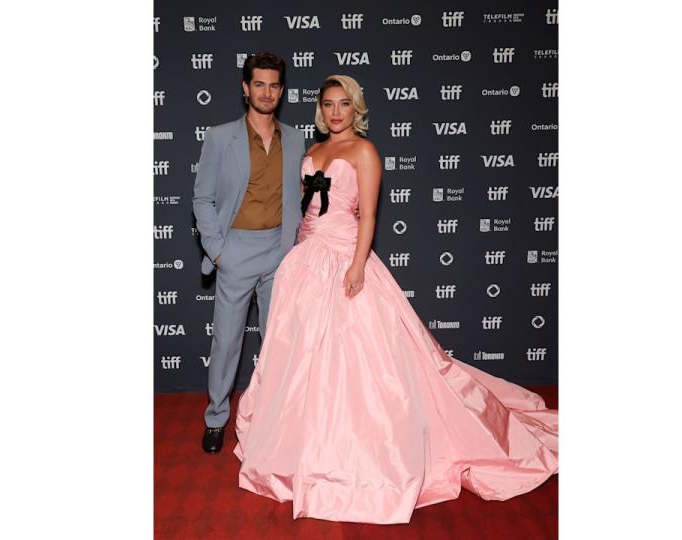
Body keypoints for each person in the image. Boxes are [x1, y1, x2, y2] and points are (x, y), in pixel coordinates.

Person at [233, 74, 559, 524]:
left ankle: (360, 450)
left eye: (343, 104)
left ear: (356, 108)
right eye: (328, 104)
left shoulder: (365, 152)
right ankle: (296, 447)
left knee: (361, 364)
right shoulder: (312, 152)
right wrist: (297, 255)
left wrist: (357, 264)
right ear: (320, 109)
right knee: (300, 359)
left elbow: (367, 213)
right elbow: (308, 211)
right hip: (305, 263)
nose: (335, 112)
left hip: (347, 258)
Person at [191, 52, 305, 454]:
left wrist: (294, 248)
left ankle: (272, 419)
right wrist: (219, 251)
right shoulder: (221, 137)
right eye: (259, 84)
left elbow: (300, 197)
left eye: (274, 85)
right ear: (245, 88)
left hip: (280, 251)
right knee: (226, 341)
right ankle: (216, 417)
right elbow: (202, 197)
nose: (267, 92)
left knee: (277, 341)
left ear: (282, 90)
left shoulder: (295, 138)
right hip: (236, 249)